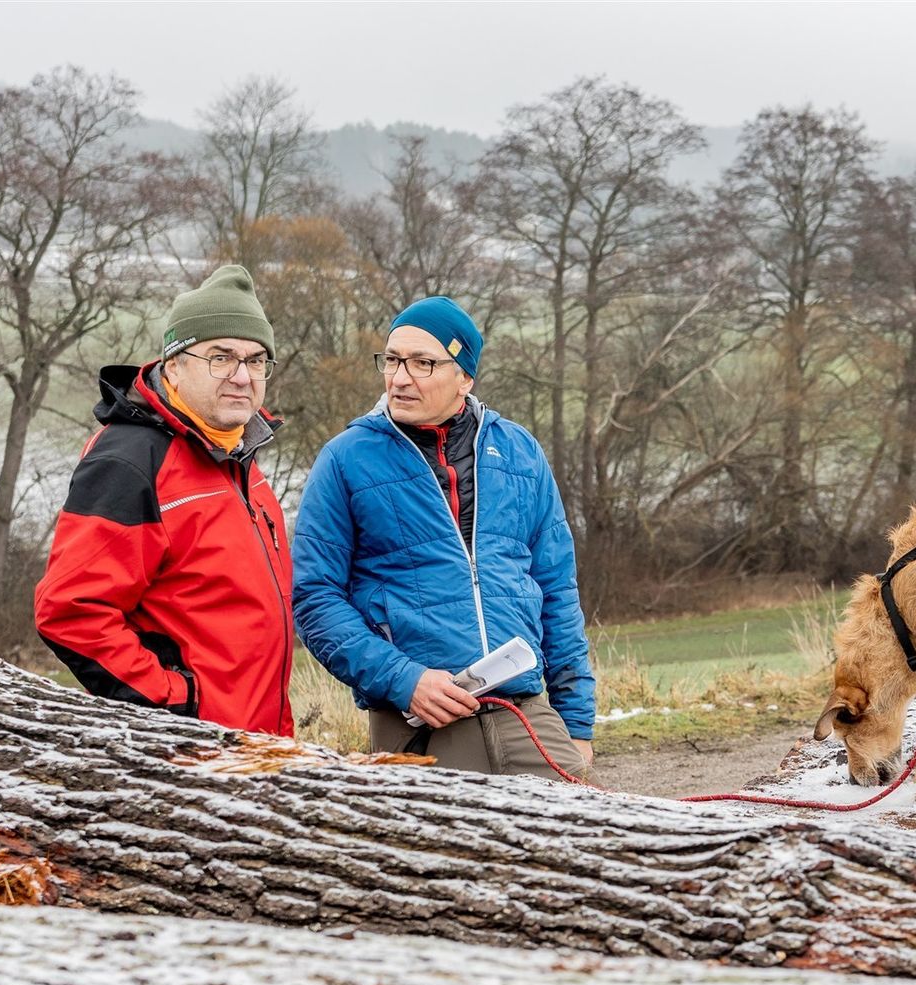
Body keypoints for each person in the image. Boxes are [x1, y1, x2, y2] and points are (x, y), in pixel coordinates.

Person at [293, 295, 594, 778]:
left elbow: (557, 590)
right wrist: (404, 679)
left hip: (529, 715)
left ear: (465, 377)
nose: (400, 377)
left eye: (423, 362)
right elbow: (313, 598)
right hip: (417, 721)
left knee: (584, 841)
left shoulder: (519, 452)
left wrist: (577, 721)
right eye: (392, 360)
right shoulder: (345, 459)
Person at [34, 264, 294, 735]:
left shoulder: (236, 450)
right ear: (174, 365)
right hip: (191, 752)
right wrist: (176, 706)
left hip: (259, 742)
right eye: (221, 357)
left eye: (256, 361)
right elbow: (71, 610)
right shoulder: (132, 460)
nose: (242, 376)